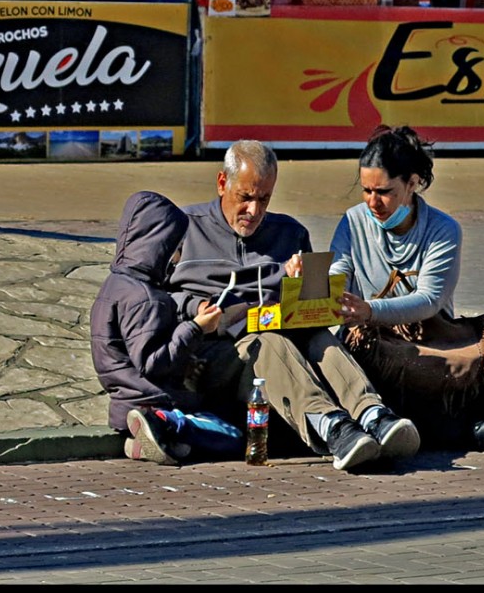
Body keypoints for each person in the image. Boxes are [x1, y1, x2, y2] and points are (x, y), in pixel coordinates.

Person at [169, 140, 420, 472]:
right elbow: (156, 297)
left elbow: (310, 307)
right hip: (220, 352)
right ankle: (332, 426)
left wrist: (300, 286)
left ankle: (373, 414)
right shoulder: (184, 227)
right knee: (267, 343)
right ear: (221, 184)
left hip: (281, 341)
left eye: (264, 199)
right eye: (245, 198)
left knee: (319, 337)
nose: (254, 211)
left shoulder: (290, 232)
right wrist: (193, 308)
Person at [329, 125, 484, 451]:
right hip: (379, 349)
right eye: (366, 190)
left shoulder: (444, 230)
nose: (373, 202)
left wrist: (370, 310)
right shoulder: (353, 220)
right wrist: (308, 280)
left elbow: (429, 300)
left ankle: (412, 430)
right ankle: (466, 432)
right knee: (351, 371)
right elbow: (337, 276)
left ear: (412, 183)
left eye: (384, 191)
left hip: (432, 348)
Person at [90, 190, 245, 466]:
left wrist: (186, 361)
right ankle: (165, 424)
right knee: (233, 436)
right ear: (159, 245)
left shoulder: (114, 286)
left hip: (124, 401)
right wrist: (196, 328)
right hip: (152, 402)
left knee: (197, 436)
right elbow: (153, 362)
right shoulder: (147, 298)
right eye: (176, 246)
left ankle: (157, 439)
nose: (178, 256)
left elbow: (135, 354)